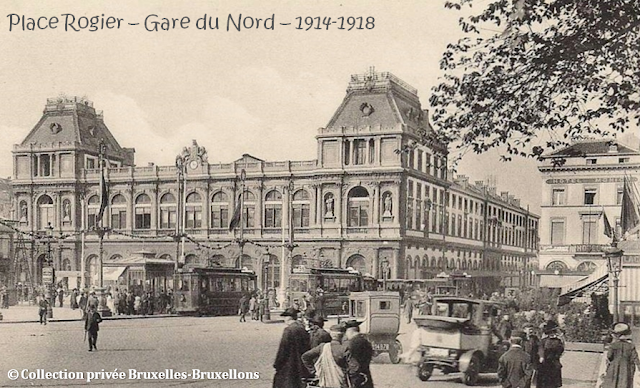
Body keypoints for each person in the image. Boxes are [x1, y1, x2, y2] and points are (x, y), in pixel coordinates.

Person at [273, 308, 311, 388]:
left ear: (289, 318)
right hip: (300, 363)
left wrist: (277, 363)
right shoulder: (301, 328)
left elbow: (283, 349)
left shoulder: (288, 330)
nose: (284, 319)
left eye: (285, 317)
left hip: (289, 363)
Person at [603, 322, 640, 388]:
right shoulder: (631, 346)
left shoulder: (613, 345)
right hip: (627, 368)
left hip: (614, 367)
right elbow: (636, 359)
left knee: (612, 383)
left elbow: (609, 356)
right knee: (625, 383)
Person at [343, 320, 374, 388]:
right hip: (366, 375)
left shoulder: (352, 343)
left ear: (350, 331)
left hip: (357, 378)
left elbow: (352, 362)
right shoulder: (365, 341)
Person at [537, 324, 564, 388]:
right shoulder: (544, 340)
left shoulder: (558, 341)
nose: (552, 334)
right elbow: (540, 348)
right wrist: (541, 356)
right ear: (548, 333)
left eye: (554, 332)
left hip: (554, 362)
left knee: (553, 382)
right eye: (550, 333)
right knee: (543, 381)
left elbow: (561, 350)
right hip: (545, 362)